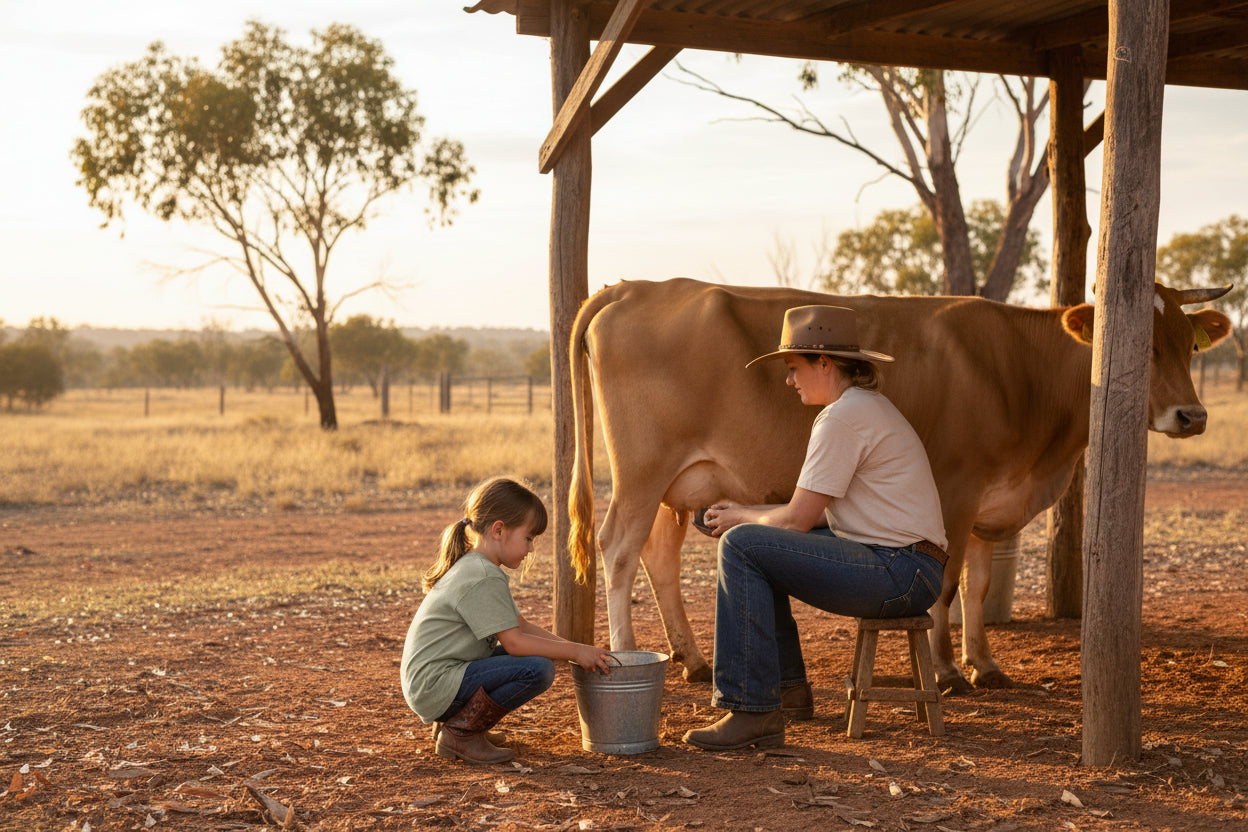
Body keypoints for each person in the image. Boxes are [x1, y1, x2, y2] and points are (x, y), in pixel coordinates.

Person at [683, 305, 947, 752]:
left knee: (742, 546)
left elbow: (799, 520)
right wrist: (745, 510)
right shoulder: (864, 408)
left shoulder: (843, 417)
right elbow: (820, 514)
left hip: (900, 569)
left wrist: (739, 519)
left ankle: (752, 710)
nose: (789, 381)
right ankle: (786, 692)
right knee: (757, 544)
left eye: (793, 368)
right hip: (910, 564)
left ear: (825, 364)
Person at [401, 476, 613, 764]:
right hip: (435, 685)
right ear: (499, 530)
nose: (530, 549)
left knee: (532, 659)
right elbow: (514, 643)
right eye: (528, 538)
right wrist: (575, 652)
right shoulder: (483, 575)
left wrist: (576, 649)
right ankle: (461, 733)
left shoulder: (478, 567)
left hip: (433, 681)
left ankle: (459, 722)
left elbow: (521, 625)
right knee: (536, 669)